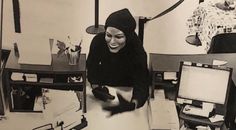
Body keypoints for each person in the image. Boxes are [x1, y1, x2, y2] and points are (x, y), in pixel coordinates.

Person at [86, 8, 149, 116]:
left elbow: (142, 83)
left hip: (127, 89)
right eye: (108, 35)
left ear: (128, 37)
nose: (112, 42)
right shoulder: (98, 41)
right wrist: (95, 87)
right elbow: (91, 67)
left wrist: (133, 104)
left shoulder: (137, 50)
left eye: (119, 37)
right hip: (105, 89)